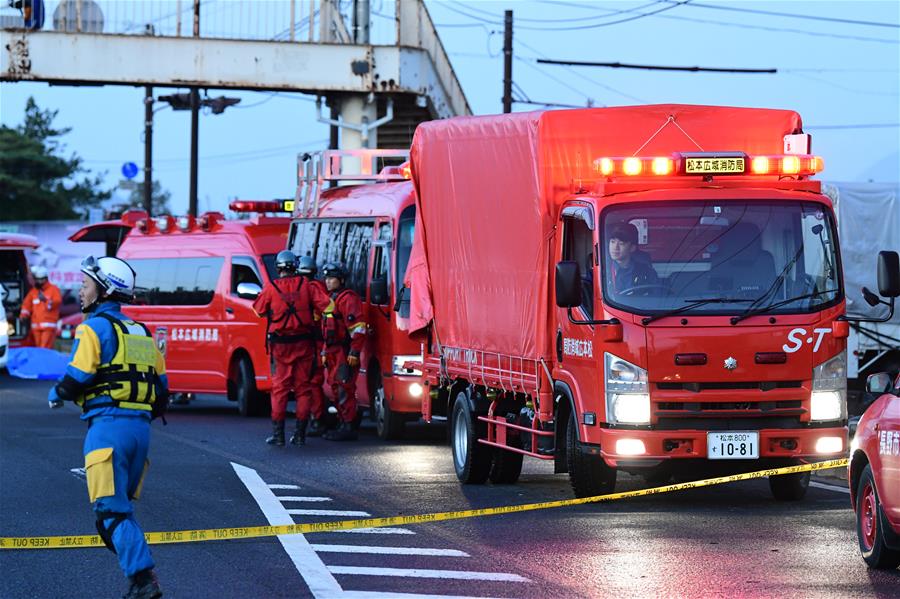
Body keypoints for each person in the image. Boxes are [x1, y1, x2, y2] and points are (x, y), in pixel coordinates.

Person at [47, 256, 166, 599]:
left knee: (111, 513)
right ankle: (139, 577)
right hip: (140, 432)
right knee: (113, 514)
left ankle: (143, 580)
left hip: (107, 429)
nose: (81, 292)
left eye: (85, 286)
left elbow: (77, 377)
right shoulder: (142, 332)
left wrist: (57, 394)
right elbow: (163, 392)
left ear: (103, 291)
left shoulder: (92, 328)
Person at [253, 250, 334, 446]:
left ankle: (278, 435)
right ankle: (300, 435)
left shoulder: (270, 288)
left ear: (279, 268)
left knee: (279, 390)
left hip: (280, 347)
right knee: (303, 390)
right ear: (294, 267)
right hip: (304, 344)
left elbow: (258, 311)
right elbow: (329, 306)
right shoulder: (306, 285)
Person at [321, 263, 367, 442]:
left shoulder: (348, 299)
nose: (328, 281)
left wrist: (354, 352)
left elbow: (358, 328)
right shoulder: (331, 298)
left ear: (340, 280)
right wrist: (325, 351)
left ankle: (348, 425)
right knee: (335, 386)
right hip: (333, 351)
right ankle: (343, 423)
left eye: (331, 278)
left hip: (344, 350)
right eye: (327, 278)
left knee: (344, 387)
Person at [296, 255, 329, 437]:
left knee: (312, 382)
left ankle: (317, 419)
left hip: (314, 342)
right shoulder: (318, 287)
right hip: (318, 341)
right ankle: (315, 417)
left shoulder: (309, 289)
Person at [606, 222, 659, 294]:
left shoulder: (647, 272)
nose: (615, 247)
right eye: (612, 242)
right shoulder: (604, 270)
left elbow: (657, 296)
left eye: (621, 243)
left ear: (632, 248)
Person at [20, 265, 62, 349]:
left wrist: (45, 300)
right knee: (39, 348)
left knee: (44, 348)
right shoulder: (33, 292)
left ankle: (46, 362)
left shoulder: (54, 290)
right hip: (36, 327)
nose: (38, 282)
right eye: (37, 279)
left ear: (45, 279)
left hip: (48, 326)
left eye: (40, 279)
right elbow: (26, 305)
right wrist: (23, 316)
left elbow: (57, 302)